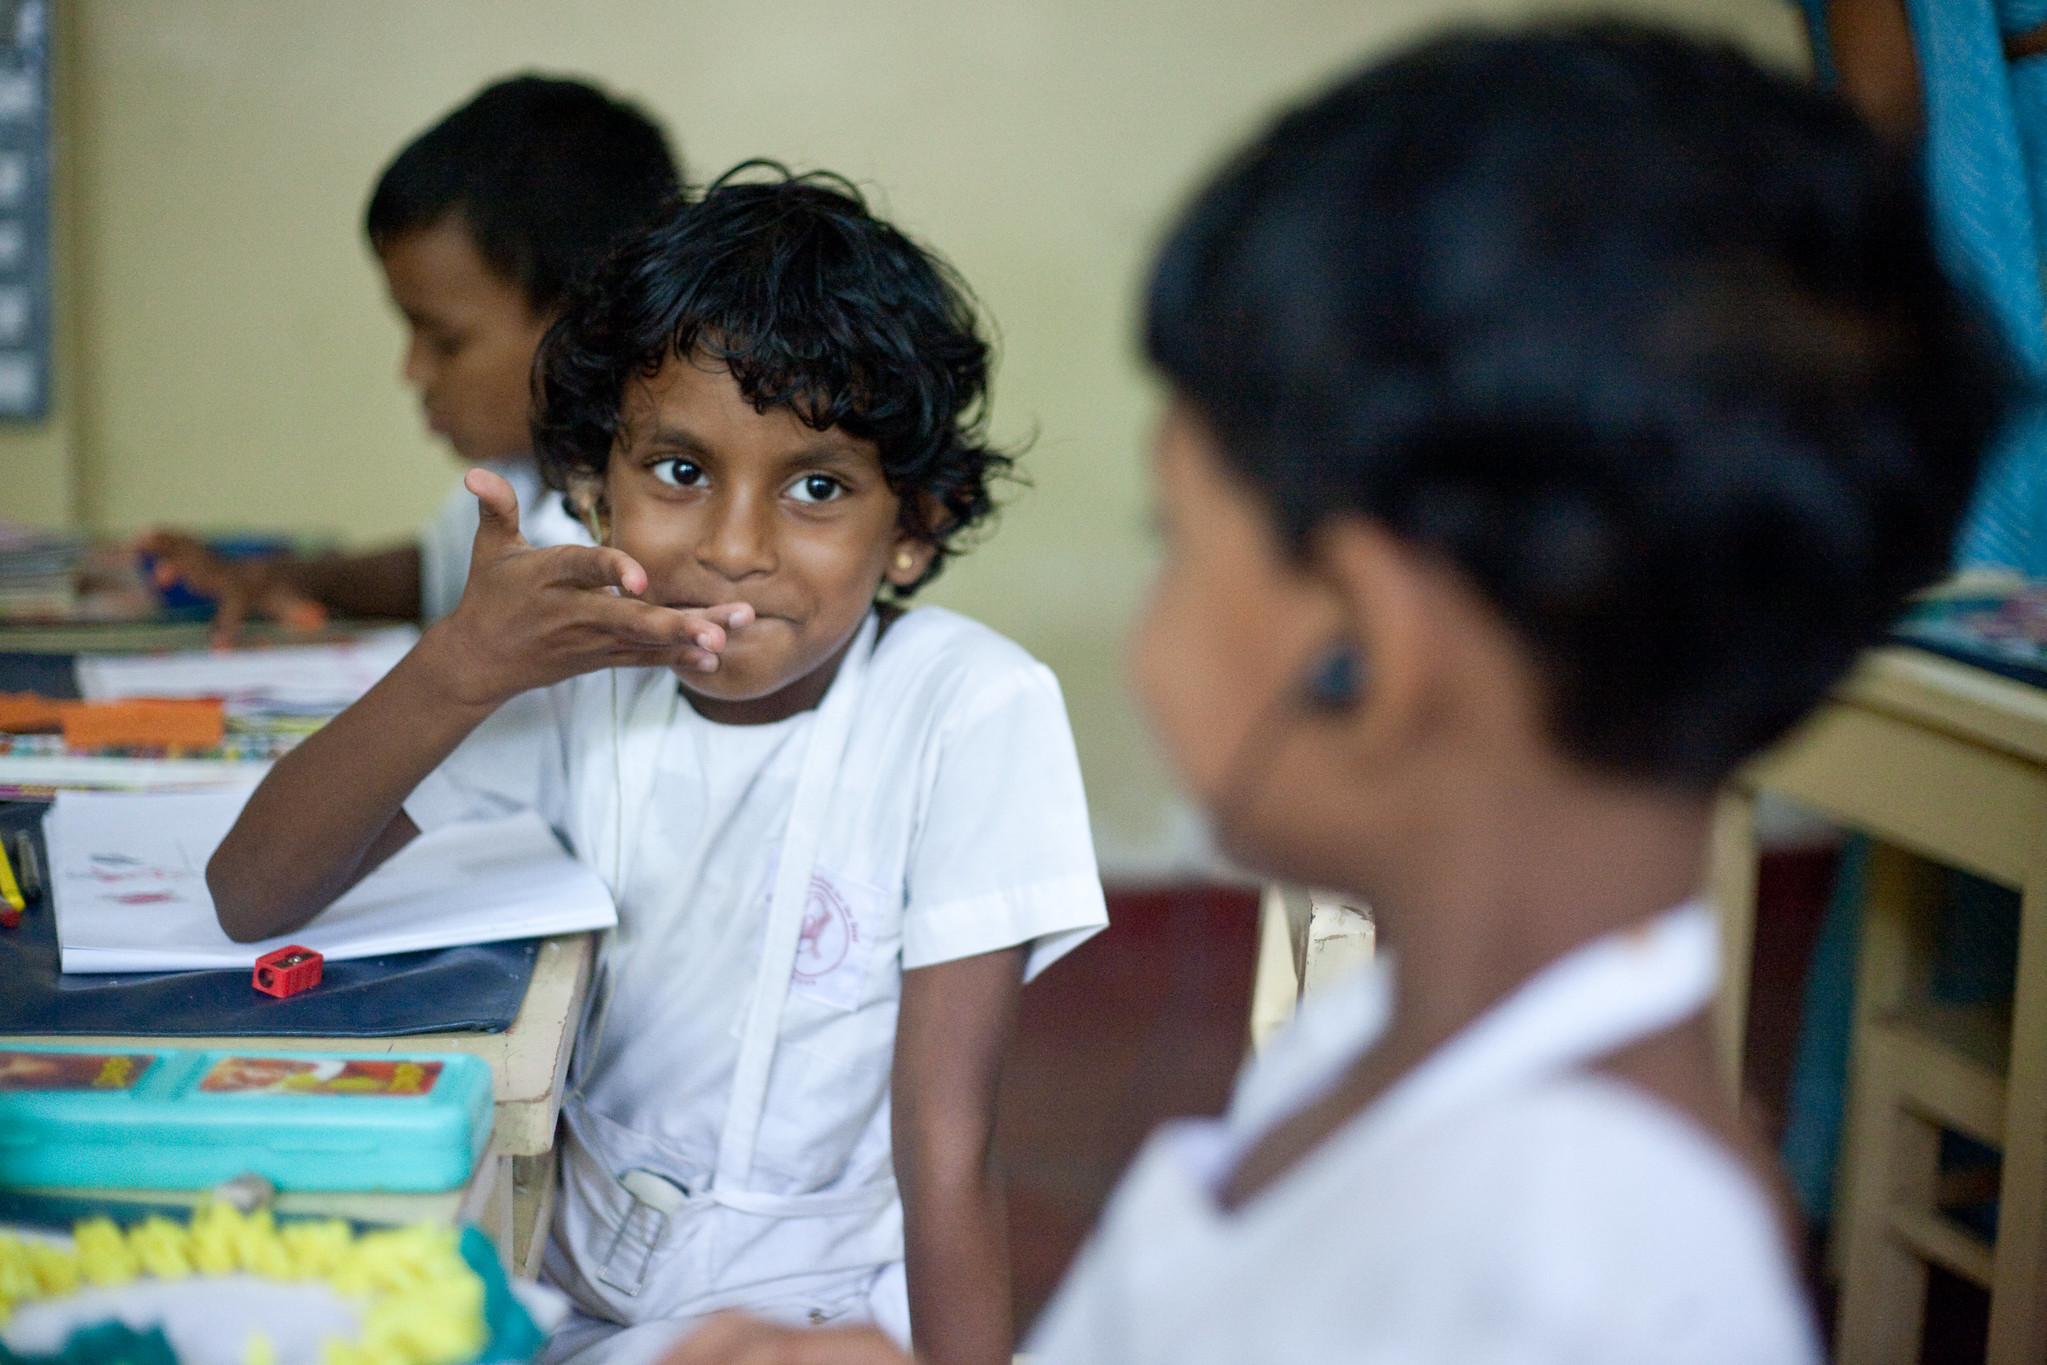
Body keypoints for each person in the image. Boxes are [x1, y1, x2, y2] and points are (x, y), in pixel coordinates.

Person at [655, 23, 2014, 1365]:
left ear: (1361, 646)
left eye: (1174, 538)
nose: (1146, 620)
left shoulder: (1586, 1282)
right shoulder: (1386, 1036)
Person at [204, 165, 1108, 1365]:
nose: (733, 550)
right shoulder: (578, 673)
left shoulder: (969, 711)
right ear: (593, 491)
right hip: (565, 1290)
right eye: (680, 473)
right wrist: (459, 666)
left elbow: (948, 1151)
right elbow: (253, 892)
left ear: (914, 529)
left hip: (823, 1313)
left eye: (818, 488)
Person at [139, 74, 680, 642]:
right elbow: (432, 570)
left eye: (445, 341)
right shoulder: (528, 470)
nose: (412, 371)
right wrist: (267, 578)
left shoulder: (646, 524)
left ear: (587, 323)